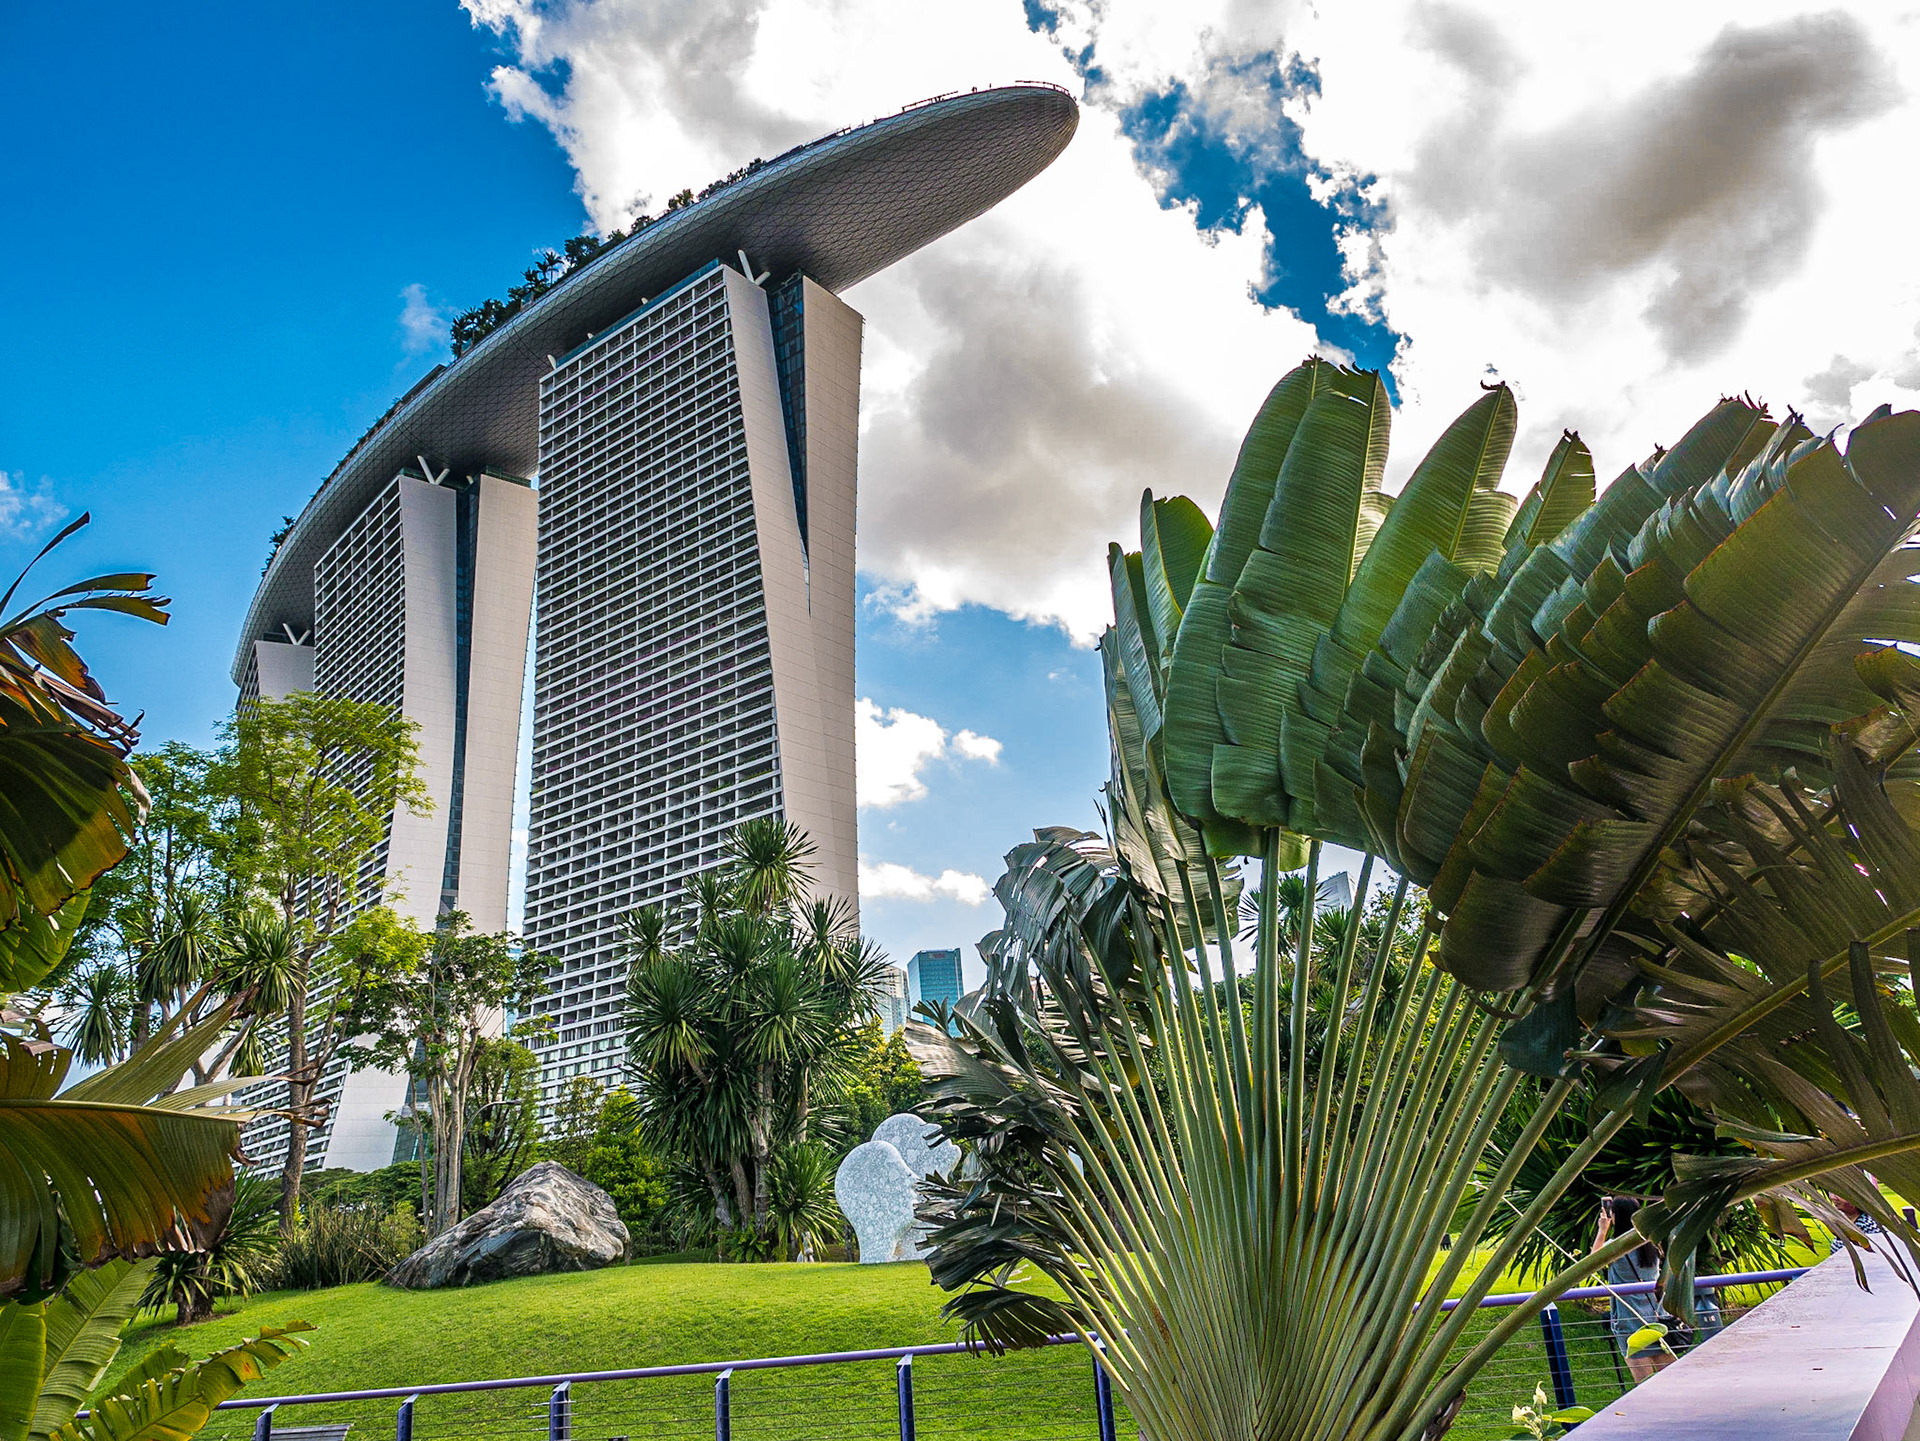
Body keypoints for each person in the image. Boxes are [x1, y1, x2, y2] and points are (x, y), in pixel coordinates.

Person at [1593, 1196, 1675, 1383]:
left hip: (1630, 1321)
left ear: (1615, 1216)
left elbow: (1591, 1263)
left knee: (1645, 1384)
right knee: (1671, 1380)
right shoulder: (1651, 1244)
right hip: (1657, 1318)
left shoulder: (1616, 1248)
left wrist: (1602, 1230)